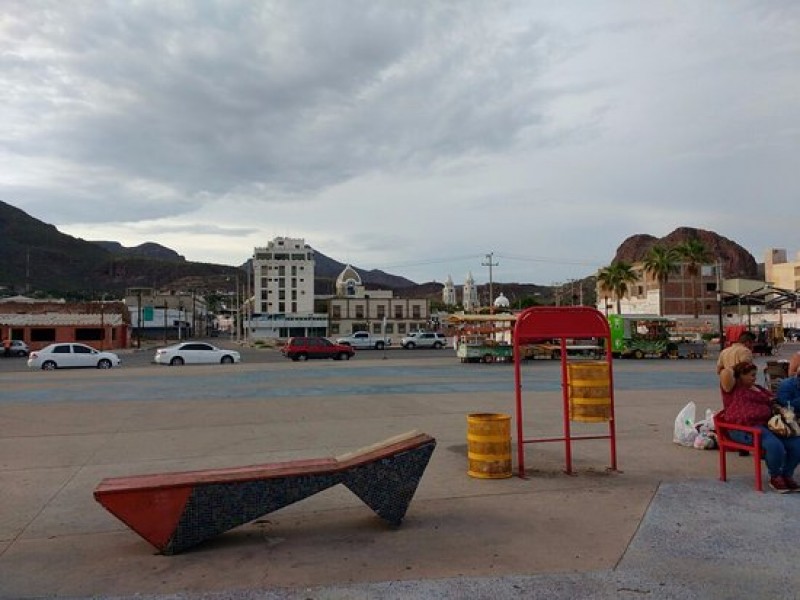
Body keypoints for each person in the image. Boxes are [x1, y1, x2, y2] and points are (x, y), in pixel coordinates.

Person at [720, 361, 800, 493]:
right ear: (740, 376)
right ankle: (775, 476)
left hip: (768, 425)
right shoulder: (732, 389)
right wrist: (734, 365)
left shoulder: (758, 388)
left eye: (755, 374)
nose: (754, 378)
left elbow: (775, 401)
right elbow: (725, 373)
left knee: (797, 444)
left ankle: (786, 475)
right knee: (775, 445)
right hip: (743, 428)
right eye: (751, 375)